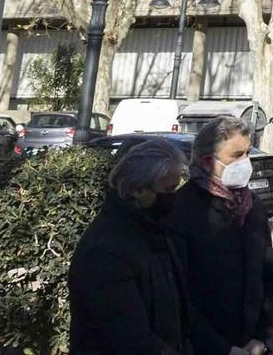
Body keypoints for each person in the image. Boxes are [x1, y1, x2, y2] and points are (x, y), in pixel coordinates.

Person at [169, 114, 273, 355]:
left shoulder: (253, 208)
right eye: (236, 155)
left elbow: (270, 277)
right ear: (209, 161)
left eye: (248, 153)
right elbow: (176, 294)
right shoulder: (182, 208)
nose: (246, 162)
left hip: (253, 346)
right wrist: (222, 348)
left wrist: (264, 339)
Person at [67, 136, 191, 353]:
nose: (174, 197)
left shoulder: (156, 231)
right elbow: (129, 337)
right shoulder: (105, 249)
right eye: (168, 189)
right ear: (137, 189)